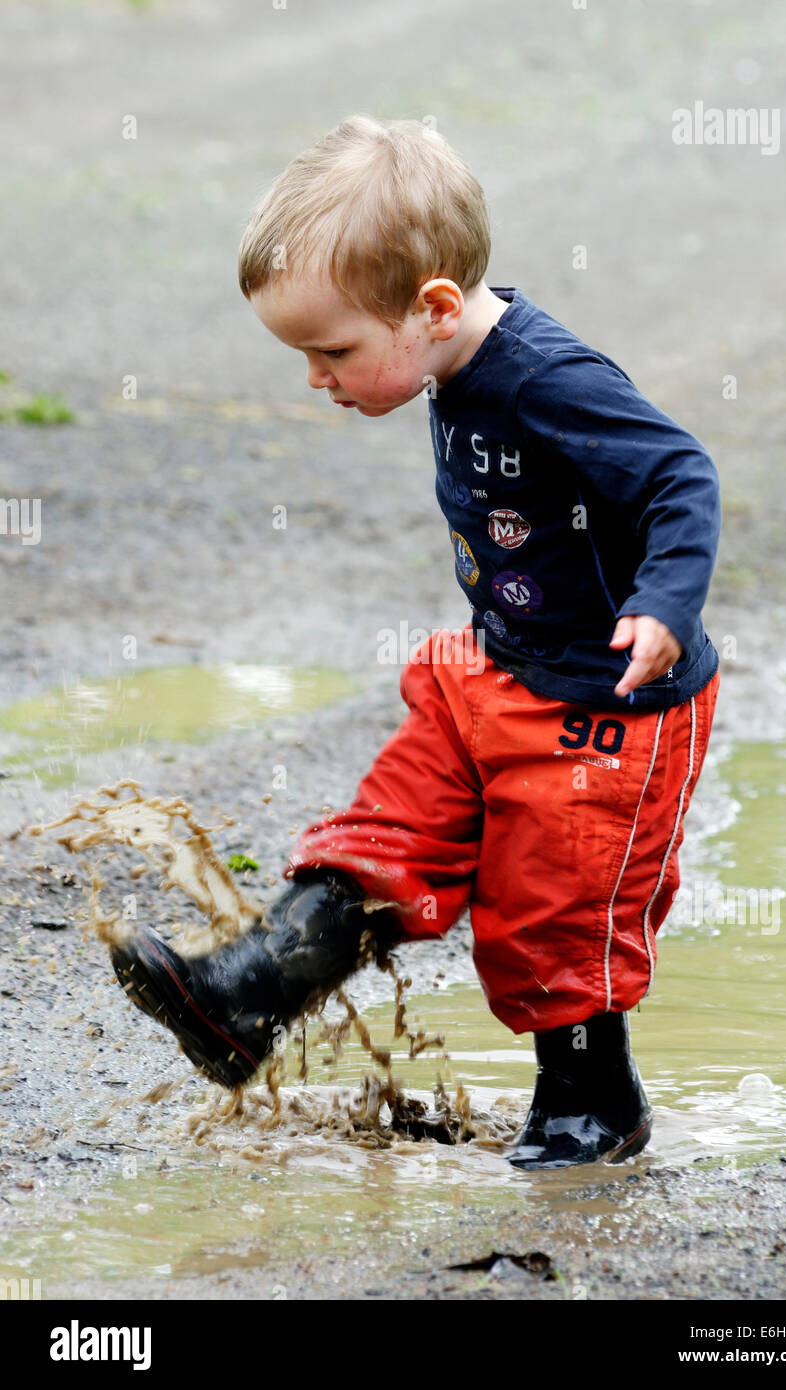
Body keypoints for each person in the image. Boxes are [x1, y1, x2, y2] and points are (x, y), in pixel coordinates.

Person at [111, 115, 720, 1169]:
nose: (316, 376)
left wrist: (663, 601)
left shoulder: (545, 379)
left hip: (607, 708)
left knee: (553, 912)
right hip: (492, 671)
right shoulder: (447, 357)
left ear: (434, 307)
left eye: (332, 349)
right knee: (386, 831)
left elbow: (679, 473)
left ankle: (591, 1103)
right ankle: (245, 999)